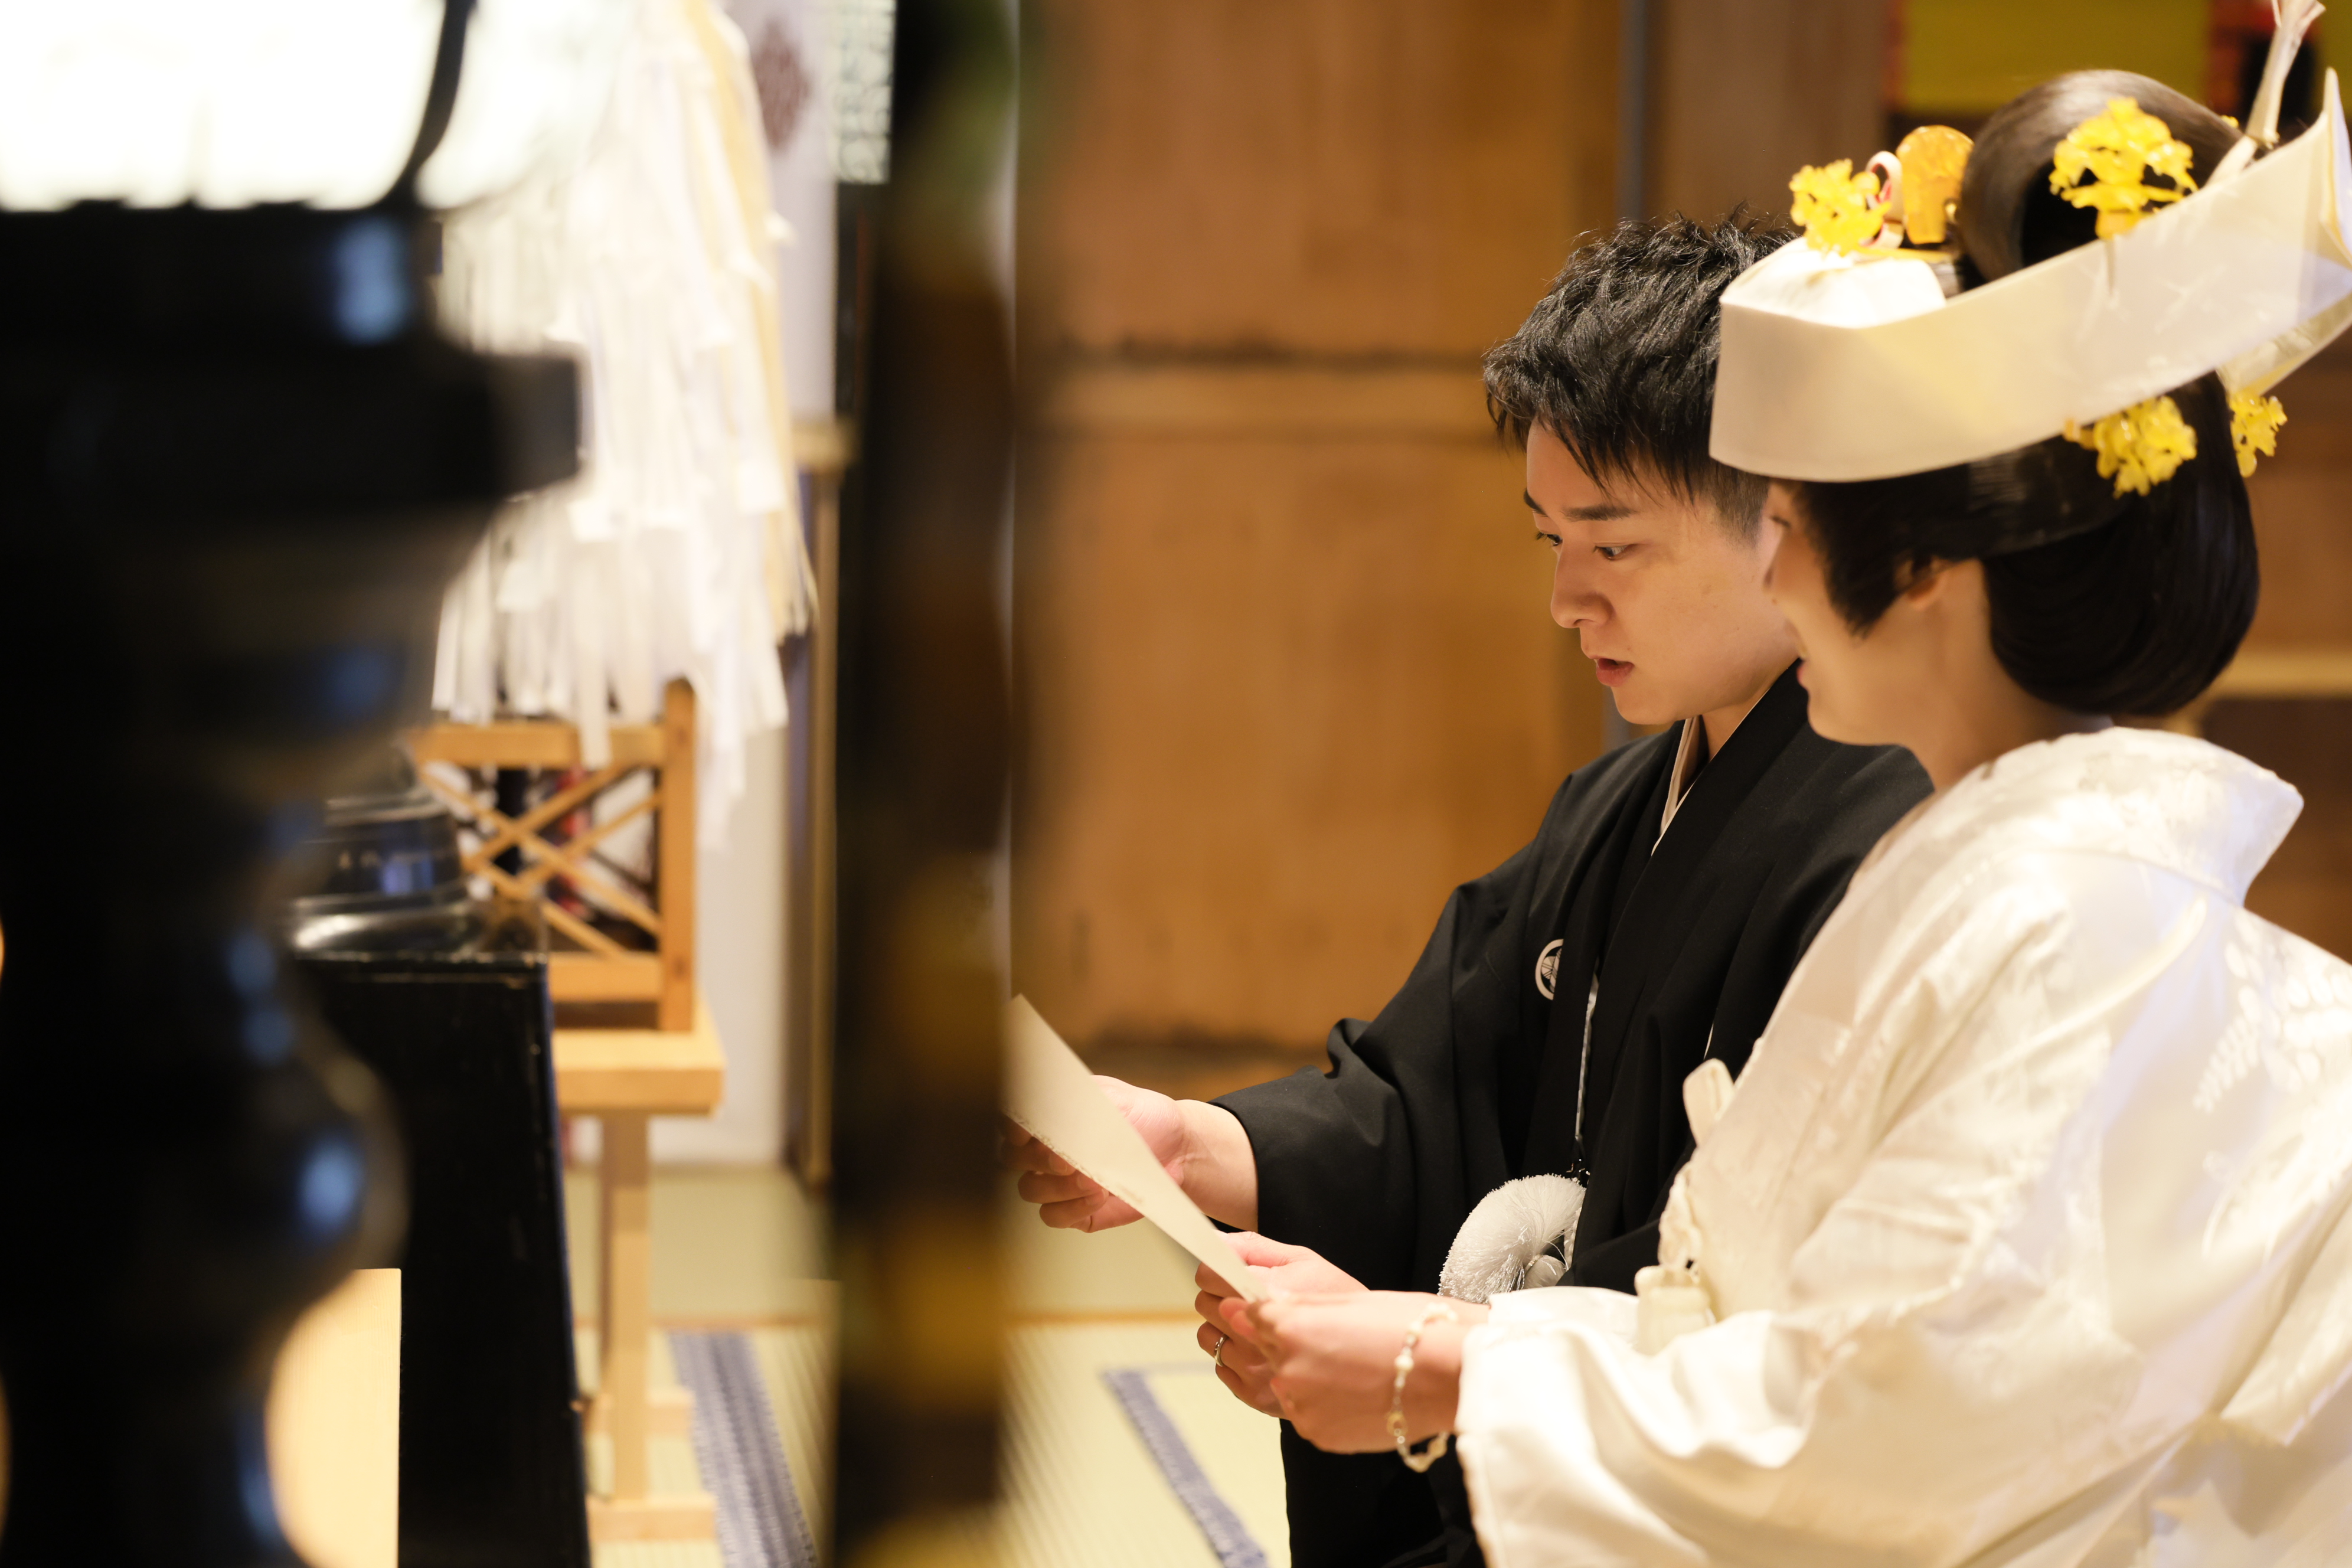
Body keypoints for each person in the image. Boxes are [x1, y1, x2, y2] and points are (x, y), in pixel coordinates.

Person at [1222, 41, 2352, 1568]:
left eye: (1799, 525)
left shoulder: (2076, 919)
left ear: (1932, 573)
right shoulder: (1995, 869)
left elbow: (1898, 1432)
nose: (1773, 569)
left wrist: (1455, 1365)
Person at [1007, 217, 1930, 1567]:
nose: (1566, 599)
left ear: (1784, 523)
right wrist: (1197, 1145)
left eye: (1614, 549)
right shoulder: (1622, 804)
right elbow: (1436, 1088)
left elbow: (1765, 1320)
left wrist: (1442, 1355)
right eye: (1551, 538)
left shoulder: (1882, 851)